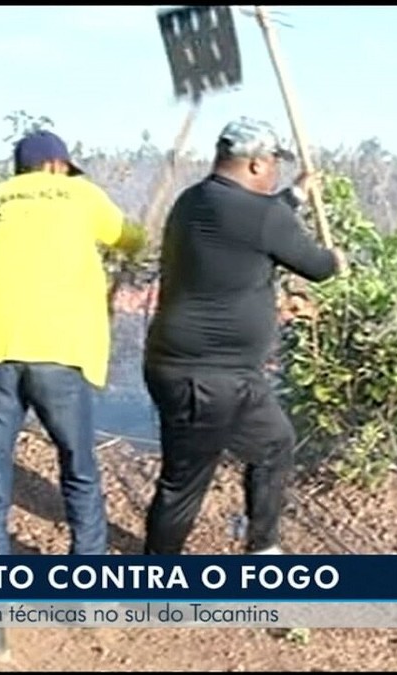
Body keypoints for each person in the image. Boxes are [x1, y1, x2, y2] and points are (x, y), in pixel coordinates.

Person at [0, 129, 145, 662]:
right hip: (60, 348)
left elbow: (8, 249)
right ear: (57, 166)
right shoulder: (81, 196)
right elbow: (131, 237)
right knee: (79, 466)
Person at [141, 117, 348, 556]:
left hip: (206, 370)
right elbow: (317, 267)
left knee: (275, 443)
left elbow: (257, 223)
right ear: (255, 165)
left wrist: (294, 194)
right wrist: (336, 258)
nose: (275, 170)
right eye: (273, 162)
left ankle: (262, 549)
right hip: (206, 377)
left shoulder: (192, 201)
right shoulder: (261, 216)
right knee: (186, 480)